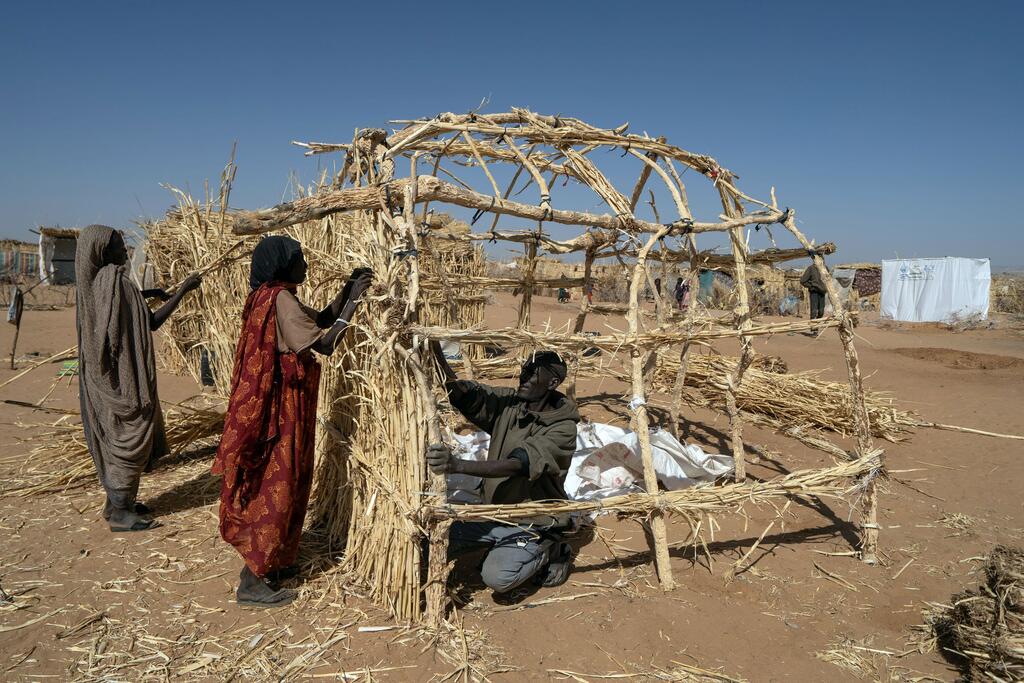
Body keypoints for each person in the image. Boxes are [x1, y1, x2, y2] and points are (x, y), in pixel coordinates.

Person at [212, 236, 372, 608]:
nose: (306, 266)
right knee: (278, 484)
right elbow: (327, 343)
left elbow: (316, 321)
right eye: (300, 260)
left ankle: (272, 564)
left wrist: (347, 289)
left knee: (280, 480)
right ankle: (252, 581)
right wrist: (354, 303)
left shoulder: (270, 297)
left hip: (280, 405)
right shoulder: (279, 300)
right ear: (282, 265)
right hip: (282, 410)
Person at [426, 343, 580, 595]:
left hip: (532, 521)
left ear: (552, 383)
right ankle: (501, 545)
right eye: (523, 371)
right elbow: (462, 394)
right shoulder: (511, 404)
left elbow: (518, 464)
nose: (524, 378)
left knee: (497, 577)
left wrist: (457, 465)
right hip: (493, 512)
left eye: (532, 374)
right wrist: (436, 353)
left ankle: (551, 549)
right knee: (426, 544)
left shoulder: (563, 428)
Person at [76, 225, 201, 533]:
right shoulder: (114, 282)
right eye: (120, 247)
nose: (125, 251)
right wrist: (185, 289)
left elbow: (116, 310)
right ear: (105, 252)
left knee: (114, 432)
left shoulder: (97, 284)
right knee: (130, 433)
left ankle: (117, 502)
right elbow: (150, 322)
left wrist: (148, 294)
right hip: (122, 382)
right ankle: (120, 511)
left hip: (103, 379)